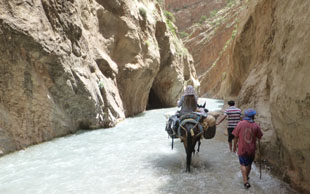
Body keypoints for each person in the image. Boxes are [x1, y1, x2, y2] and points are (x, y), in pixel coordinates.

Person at [232, 108, 263, 189]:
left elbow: (235, 136)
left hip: (242, 148)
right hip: (251, 149)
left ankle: (245, 181)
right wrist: (259, 127)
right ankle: (247, 177)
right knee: (249, 164)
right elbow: (260, 136)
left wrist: (234, 146)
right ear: (253, 116)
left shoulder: (240, 123)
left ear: (245, 115)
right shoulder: (256, 125)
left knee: (242, 164)